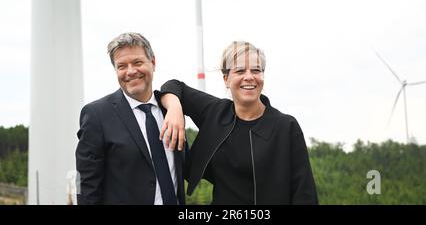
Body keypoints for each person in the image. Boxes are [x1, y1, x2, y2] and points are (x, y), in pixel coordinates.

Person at [160, 41, 318, 204]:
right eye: (240, 70)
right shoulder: (216, 112)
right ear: (226, 79)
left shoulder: (286, 126)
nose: (249, 76)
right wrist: (174, 107)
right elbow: (172, 86)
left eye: (256, 70)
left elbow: (305, 193)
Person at [75, 32, 185, 205]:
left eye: (137, 62)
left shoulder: (171, 110)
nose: (131, 71)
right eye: (122, 66)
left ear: (153, 62)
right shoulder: (96, 115)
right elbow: (87, 185)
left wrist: (175, 104)